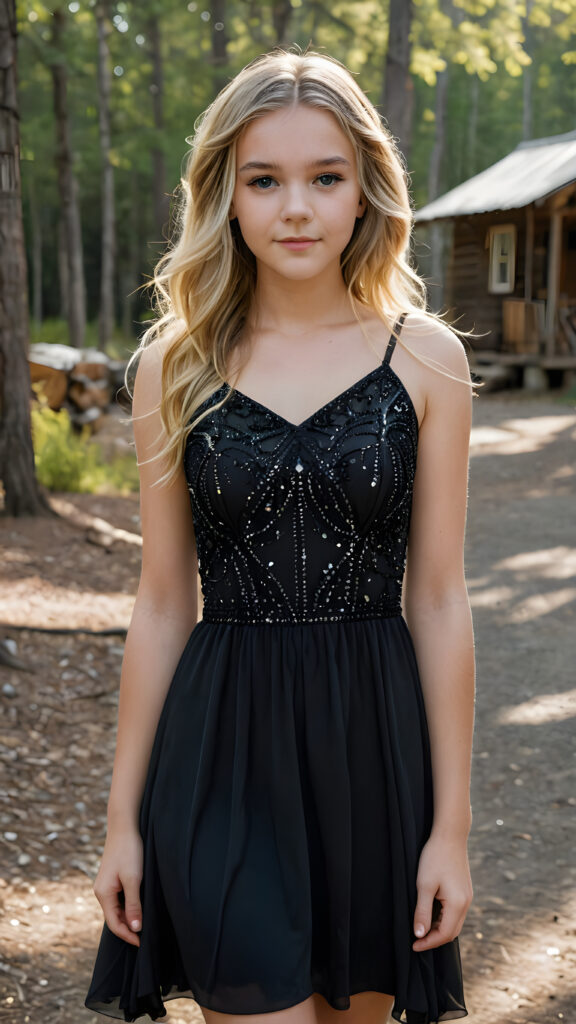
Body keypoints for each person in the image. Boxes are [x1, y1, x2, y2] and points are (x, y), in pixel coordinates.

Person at [84, 48, 475, 1024]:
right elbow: (165, 599)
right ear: (226, 192)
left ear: (363, 192)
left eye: (324, 177)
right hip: (221, 750)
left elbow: (437, 597)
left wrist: (453, 827)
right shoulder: (173, 367)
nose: (295, 207)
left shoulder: (425, 360)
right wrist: (120, 821)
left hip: (374, 752)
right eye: (264, 179)